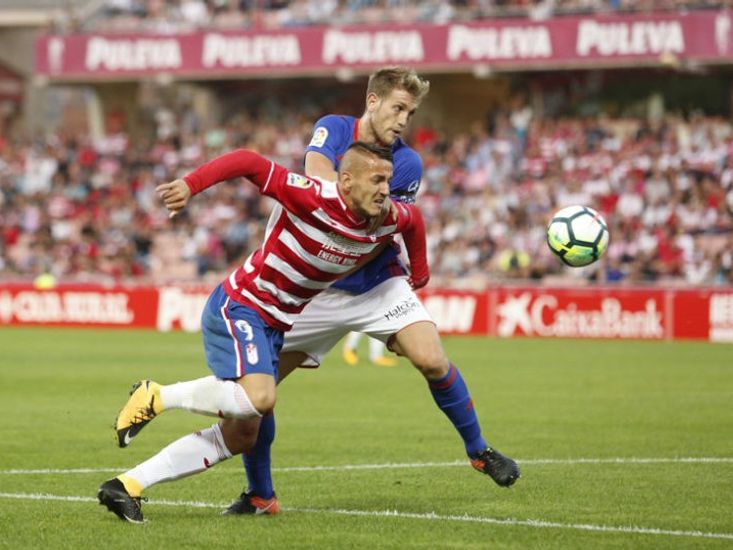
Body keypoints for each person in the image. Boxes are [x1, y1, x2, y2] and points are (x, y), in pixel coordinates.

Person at [218, 66, 519, 515]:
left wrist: (415, 266)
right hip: (315, 290)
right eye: (398, 108)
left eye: (411, 113)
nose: (403, 119)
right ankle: (260, 494)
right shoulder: (333, 129)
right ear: (373, 101)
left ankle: (479, 450)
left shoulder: (408, 163)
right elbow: (318, 176)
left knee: (432, 358)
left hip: (377, 283)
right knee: (253, 396)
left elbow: (385, 217)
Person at [97, 142, 428, 522]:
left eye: (388, 180)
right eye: (377, 180)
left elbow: (414, 220)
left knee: (241, 435)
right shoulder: (312, 196)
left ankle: (127, 486)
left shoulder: (386, 216)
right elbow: (248, 161)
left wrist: (419, 273)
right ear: (347, 181)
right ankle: (156, 395)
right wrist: (191, 185)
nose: (386, 189)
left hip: (275, 324)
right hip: (242, 305)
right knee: (260, 398)